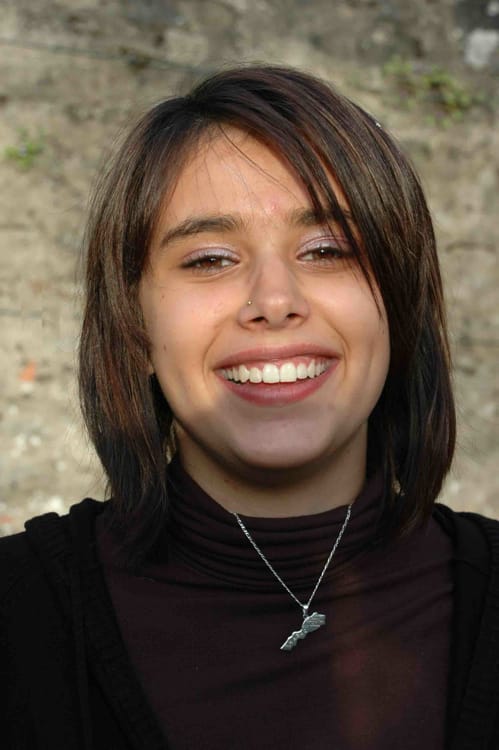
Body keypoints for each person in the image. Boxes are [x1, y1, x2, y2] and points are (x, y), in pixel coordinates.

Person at [0, 65, 497, 750]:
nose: (273, 299)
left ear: (401, 304)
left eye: (327, 249)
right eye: (209, 259)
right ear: (133, 326)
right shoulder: (17, 617)